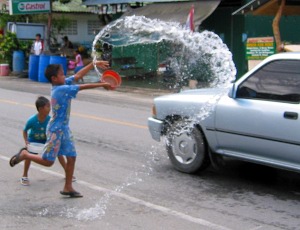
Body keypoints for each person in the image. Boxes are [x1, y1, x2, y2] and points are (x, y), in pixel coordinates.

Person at [9, 60, 112, 198]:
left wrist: (93, 64)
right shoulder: (60, 89)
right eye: (62, 74)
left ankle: (68, 187)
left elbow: (77, 76)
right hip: (55, 130)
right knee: (48, 161)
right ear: (54, 78)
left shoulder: (63, 83)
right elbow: (81, 86)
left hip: (64, 128)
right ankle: (25, 155)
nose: (65, 76)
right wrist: (102, 84)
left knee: (72, 157)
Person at [21, 96, 76, 186]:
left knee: (59, 153)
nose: (50, 109)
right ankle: (24, 175)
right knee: (29, 155)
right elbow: (25, 130)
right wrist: (26, 141)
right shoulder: (32, 120)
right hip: (34, 140)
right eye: (48, 106)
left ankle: (67, 173)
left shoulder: (50, 120)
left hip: (46, 140)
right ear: (40, 109)